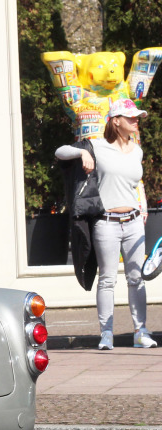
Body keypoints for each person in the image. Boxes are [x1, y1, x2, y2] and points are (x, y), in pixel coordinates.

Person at [56, 98, 154, 349]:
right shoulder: (97, 146)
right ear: (116, 121)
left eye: (136, 117)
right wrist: (82, 152)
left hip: (133, 222)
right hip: (106, 223)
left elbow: (135, 182)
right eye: (130, 117)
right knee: (107, 279)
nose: (135, 121)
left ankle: (141, 332)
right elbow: (60, 152)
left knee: (136, 278)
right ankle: (106, 334)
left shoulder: (138, 150)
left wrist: (142, 206)